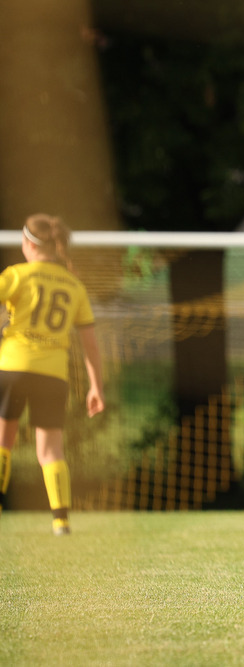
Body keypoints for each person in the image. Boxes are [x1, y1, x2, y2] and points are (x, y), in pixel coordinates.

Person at [0, 215, 106, 535]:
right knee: (50, 450)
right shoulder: (73, 284)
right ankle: (61, 521)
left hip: (14, 366)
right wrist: (96, 387)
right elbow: (90, 345)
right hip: (53, 375)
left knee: (3, 443)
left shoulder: (17, 275)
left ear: (29, 244)